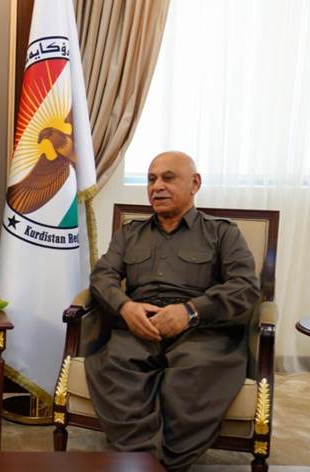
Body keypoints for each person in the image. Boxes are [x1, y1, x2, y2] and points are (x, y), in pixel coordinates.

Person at [84, 151, 260, 471]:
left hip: (201, 332)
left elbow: (245, 286)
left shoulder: (223, 233)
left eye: (168, 178)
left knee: (193, 373)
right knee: (117, 367)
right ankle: (142, 461)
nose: (157, 187)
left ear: (195, 184)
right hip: (139, 328)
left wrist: (190, 312)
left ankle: (171, 462)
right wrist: (125, 306)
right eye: (151, 179)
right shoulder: (130, 233)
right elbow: (102, 276)